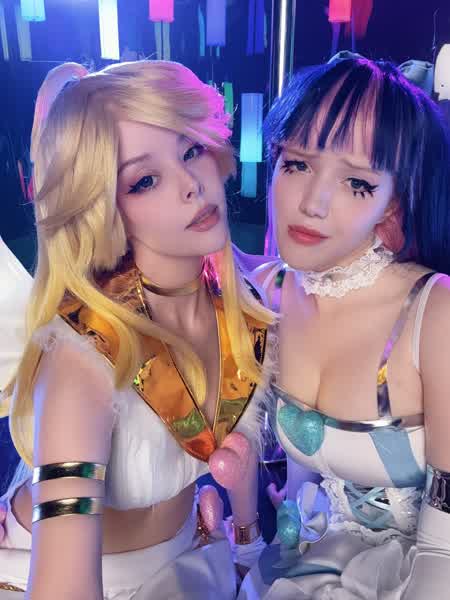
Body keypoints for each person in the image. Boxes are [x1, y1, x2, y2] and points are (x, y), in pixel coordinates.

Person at [0, 59, 272, 599]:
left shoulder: (242, 302)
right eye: (144, 180)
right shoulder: (81, 356)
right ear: (101, 206)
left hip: (192, 558)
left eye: (190, 150)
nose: (191, 186)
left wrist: (247, 542)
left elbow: (239, 449)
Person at [239, 57, 450, 599]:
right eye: (296, 164)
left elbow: (443, 549)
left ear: (392, 204)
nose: (312, 204)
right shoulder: (268, 291)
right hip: (304, 560)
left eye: (357, 182)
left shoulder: (434, 312)